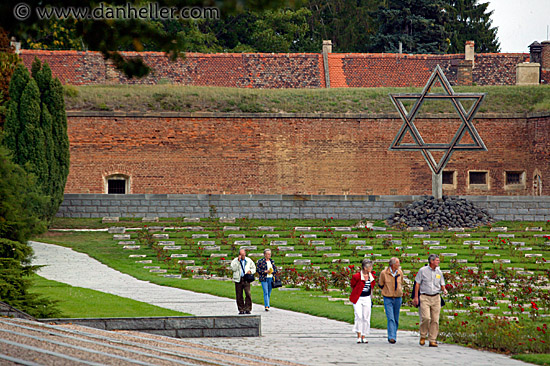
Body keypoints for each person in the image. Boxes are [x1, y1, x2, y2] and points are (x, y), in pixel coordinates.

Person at [412, 254, 447, 347]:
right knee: (426, 318)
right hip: (424, 297)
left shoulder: (439, 272)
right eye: (437, 260)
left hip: (436, 297)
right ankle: (423, 335)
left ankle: (432, 339)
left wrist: (444, 290)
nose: (438, 262)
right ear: (431, 261)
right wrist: (416, 297)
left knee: (435, 320)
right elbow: (417, 284)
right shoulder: (422, 271)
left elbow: (442, 284)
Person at [349, 259, 375, 344]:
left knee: (366, 317)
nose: (371, 268)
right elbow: (353, 285)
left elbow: (372, 286)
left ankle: (364, 335)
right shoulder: (357, 276)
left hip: (367, 298)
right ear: (365, 268)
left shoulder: (371, 277)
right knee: (359, 316)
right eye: (369, 267)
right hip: (358, 298)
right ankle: (359, 335)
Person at [378, 257, 404, 344]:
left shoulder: (400, 272)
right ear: (393, 265)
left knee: (396, 318)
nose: (399, 265)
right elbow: (381, 284)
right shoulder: (384, 273)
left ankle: (394, 334)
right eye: (397, 263)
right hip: (388, 297)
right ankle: (391, 336)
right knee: (390, 318)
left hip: (398, 297)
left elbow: (402, 282)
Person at [230, 248, 256, 314]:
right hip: (238, 279)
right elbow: (233, 269)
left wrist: (250, 271)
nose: (242, 256)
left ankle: (248, 308)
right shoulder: (235, 261)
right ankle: (241, 309)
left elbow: (254, 268)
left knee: (248, 293)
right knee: (239, 295)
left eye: (243, 255)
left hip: (246, 279)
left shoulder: (248, 260)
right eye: (241, 255)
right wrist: (238, 262)